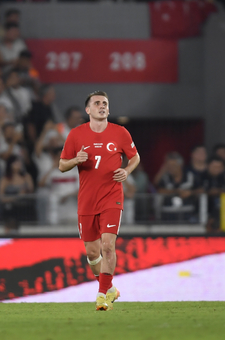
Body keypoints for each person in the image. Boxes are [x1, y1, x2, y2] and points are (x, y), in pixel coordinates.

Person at [59, 91, 140, 311]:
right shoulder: (76, 135)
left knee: (108, 246)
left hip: (112, 197)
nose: (102, 106)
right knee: (92, 252)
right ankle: (110, 287)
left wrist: (127, 170)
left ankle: (102, 295)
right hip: (87, 199)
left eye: (105, 103)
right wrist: (77, 159)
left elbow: (135, 157)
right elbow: (62, 165)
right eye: (97, 103)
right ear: (88, 110)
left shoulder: (120, 132)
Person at [0, 155, 33, 233]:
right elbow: (1, 197)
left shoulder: (26, 176)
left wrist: (26, 191)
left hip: (25, 209)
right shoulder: (5, 179)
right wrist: (16, 197)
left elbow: (31, 191)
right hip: (10, 210)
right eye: (15, 162)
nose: (18, 164)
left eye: (19, 162)